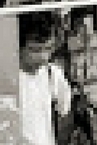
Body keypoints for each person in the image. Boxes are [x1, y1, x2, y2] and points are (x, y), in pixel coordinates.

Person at [17, 16, 71, 145]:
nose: (44, 57)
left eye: (48, 48)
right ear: (18, 47)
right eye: (35, 50)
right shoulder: (6, 78)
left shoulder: (52, 74)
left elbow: (65, 112)